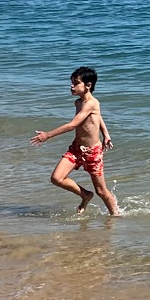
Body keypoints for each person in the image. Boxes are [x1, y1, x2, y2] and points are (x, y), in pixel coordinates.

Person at [31, 67, 119, 215]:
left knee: (101, 191)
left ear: (88, 85)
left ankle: (116, 216)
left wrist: (48, 135)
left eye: (76, 83)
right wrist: (106, 134)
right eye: (71, 82)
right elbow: (97, 117)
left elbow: (72, 125)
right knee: (56, 178)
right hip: (76, 148)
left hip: (92, 152)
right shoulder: (78, 103)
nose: (71, 86)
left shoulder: (92, 103)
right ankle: (85, 195)